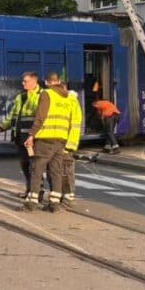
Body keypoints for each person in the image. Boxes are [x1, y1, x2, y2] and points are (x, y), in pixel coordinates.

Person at [25, 72, 76, 212]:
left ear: (47, 82)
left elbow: (41, 116)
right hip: (61, 139)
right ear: (58, 81)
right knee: (56, 171)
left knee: (37, 169)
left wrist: (31, 135)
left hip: (46, 138)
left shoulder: (47, 94)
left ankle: (32, 202)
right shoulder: (67, 97)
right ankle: (54, 203)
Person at [0, 72, 43, 206]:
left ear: (34, 82)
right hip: (19, 137)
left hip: (32, 139)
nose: (23, 84)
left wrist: (33, 136)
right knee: (25, 164)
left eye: (25, 81)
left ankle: (37, 191)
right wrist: (3, 127)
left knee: (34, 165)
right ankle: (29, 189)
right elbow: (14, 115)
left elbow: (40, 118)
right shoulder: (21, 97)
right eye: (23, 81)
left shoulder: (41, 96)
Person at [56, 75, 84, 210]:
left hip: (66, 143)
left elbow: (75, 125)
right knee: (59, 171)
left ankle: (68, 198)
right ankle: (61, 196)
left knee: (66, 171)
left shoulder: (72, 101)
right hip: (57, 142)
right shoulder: (58, 100)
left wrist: (70, 145)